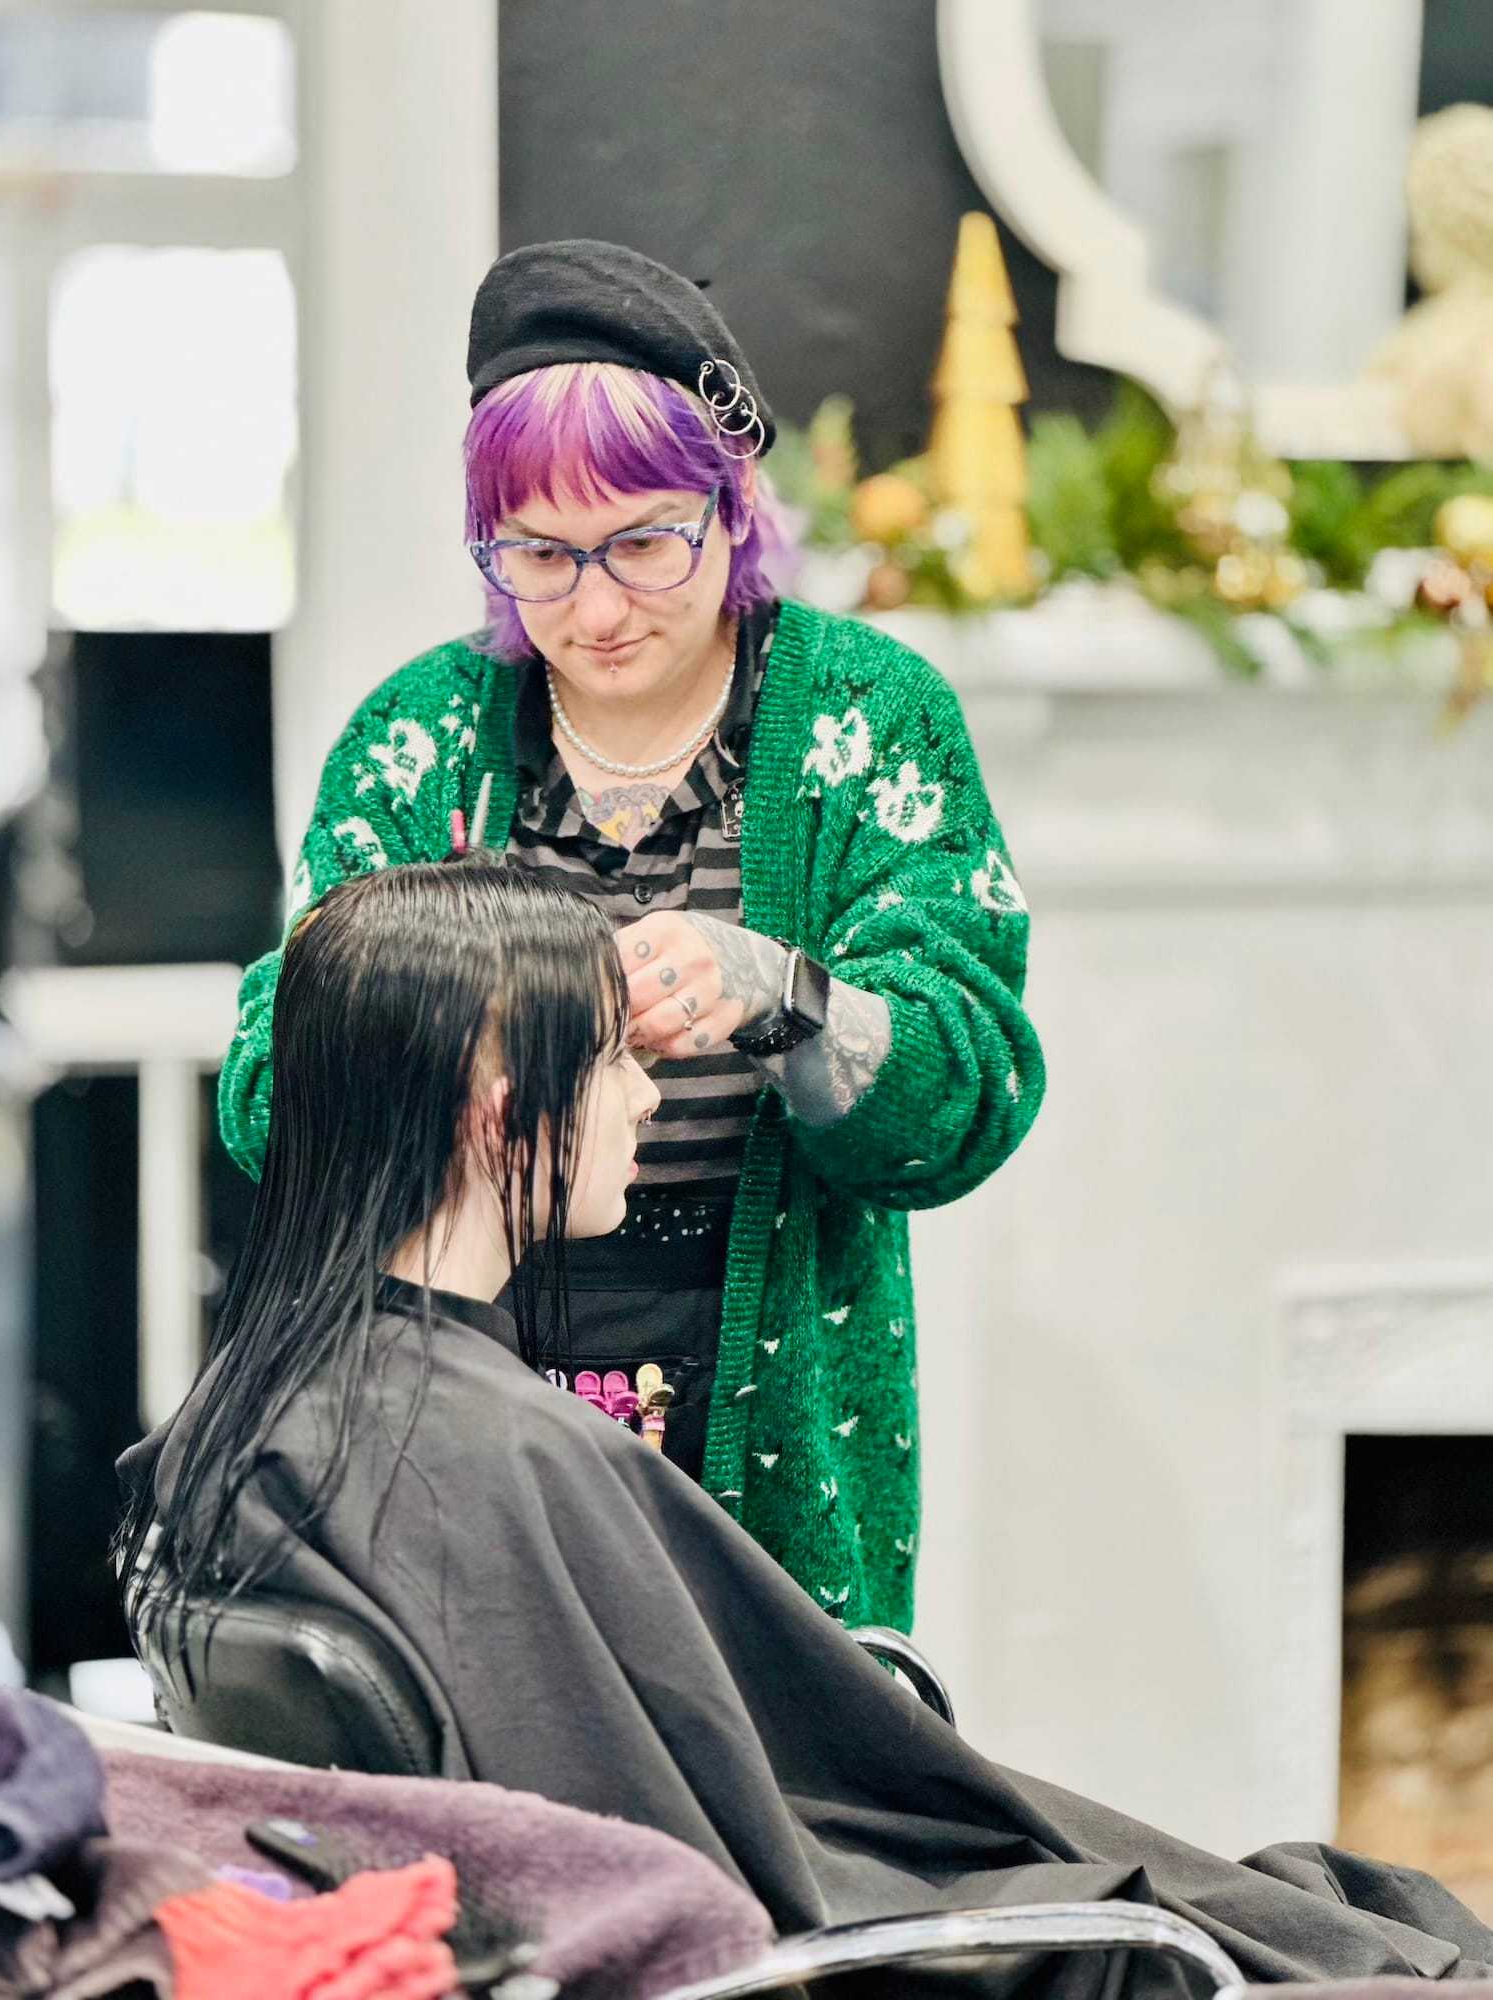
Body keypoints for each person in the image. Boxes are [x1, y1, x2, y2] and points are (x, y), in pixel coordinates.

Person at [119, 859, 1493, 1997]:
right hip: (826, 1953)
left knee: (1319, 1910)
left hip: (681, 1906)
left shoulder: (250, 1422)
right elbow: (714, 1889)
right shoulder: (501, 1458)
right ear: (498, 1106)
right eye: (609, 1062)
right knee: (1325, 1943)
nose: (649, 1100)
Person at [215, 239, 1045, 1631]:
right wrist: (468, 1021)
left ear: (734, 508)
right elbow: (269, 1098)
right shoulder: (416, 739)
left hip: (772, 1416)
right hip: (451, 1423)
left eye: (646, 543)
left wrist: (782, 995)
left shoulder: (870, 721)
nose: (595, 610)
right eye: (540, 556)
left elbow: (969, 1097)